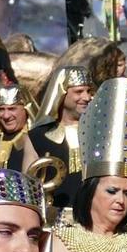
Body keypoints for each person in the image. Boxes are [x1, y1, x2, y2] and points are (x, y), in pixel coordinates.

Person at [29, 67, 91, 210]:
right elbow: (29, 185)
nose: (87, 97)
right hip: (55, 218)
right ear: (61, 93)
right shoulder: (37, 136)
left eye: (88, 91)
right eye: (79, 92)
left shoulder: (100, 132)